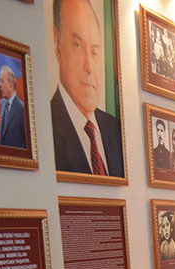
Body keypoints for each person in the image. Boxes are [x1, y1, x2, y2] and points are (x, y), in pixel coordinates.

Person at [50, 0, 124, 177]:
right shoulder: (46, 127)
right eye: (78, 45)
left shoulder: (116, 130)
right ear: (57, 44)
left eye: (95, 52)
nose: (89, 67)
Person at [0, 66, 26, 148]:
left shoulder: (21, 109)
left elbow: (27, 142)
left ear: (11, 85)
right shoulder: (2, 103)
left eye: (2, 81)